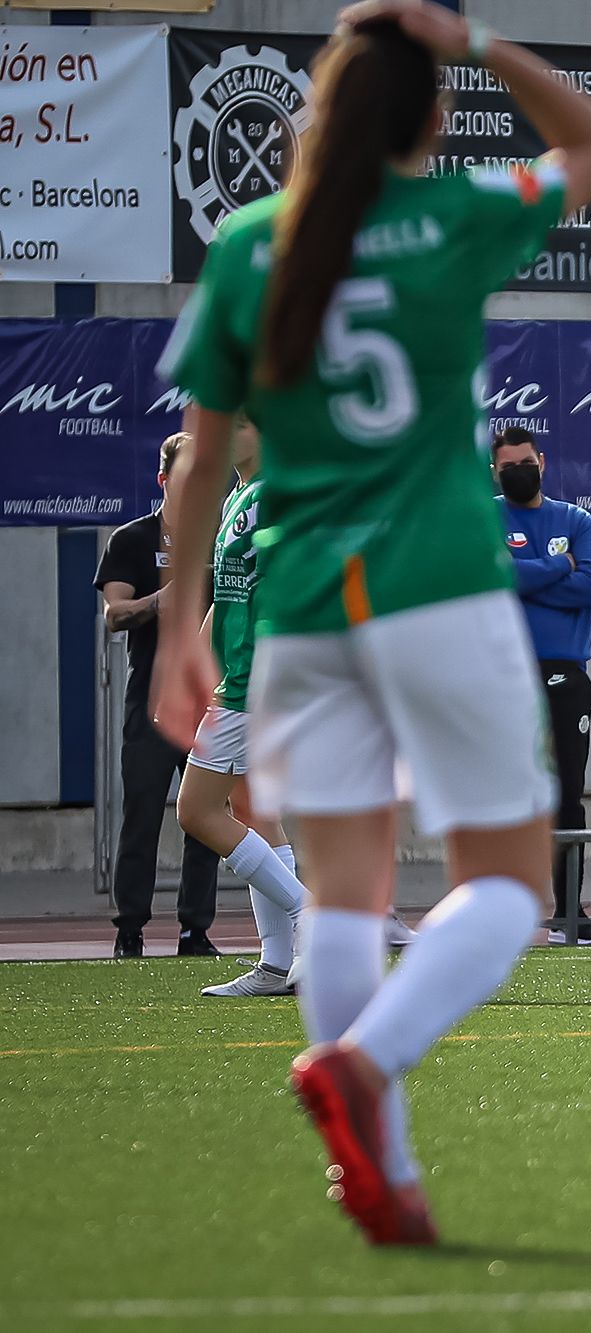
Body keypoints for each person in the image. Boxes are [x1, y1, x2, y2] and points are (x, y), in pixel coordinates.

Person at [152, 0, 591, 1245]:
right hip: (438, 588)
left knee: (347, 899)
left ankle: (386, 1177)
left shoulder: (253, 240)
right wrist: (477, 43)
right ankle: (367, 1066)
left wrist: (177, 628)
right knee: (511, 887)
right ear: (428, 117)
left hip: (307, 607)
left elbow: (200, 465)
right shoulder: (450, 216)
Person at [177, 420, 315, 997]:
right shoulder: (238, 495)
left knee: (195, 811)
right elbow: (230, 598)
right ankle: (277, 963)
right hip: (237, 680)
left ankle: (312, 914)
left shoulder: (275, 492)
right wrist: (192, 669)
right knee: (253, 810)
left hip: (254, 685)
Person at [95, 434, 223, 958]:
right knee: (143, 812)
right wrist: (159, 601)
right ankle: (130, 929)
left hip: (208, 701)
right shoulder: (130, 538)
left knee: (205, 817)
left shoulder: (221, 537)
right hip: (149, 700)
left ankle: (195, 929)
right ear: (164, 480)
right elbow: (114, 614)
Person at [492, 427, 591, 945]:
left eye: (526, 462)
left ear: (543, 461)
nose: (518, 471)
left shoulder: (574, 519)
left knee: (567, 793)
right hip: (503, 672)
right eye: (507, 465)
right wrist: (558, 567)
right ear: (494, 471)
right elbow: (496, 579)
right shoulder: (486, 516)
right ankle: (500, 910)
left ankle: (569, 914)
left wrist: (530, 576)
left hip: (565, 672)